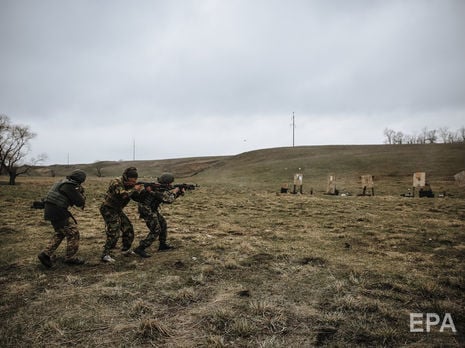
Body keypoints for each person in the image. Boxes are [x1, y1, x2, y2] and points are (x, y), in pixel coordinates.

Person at [38, 169, 87, 268]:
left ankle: (45, 254)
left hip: (51, 209)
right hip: (58, 211)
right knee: (73, 232)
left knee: (61, 232)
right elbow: (79, 202)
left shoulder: (62, 181)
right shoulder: (70, 186)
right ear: (81, 180)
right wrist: (81, 193)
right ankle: (70, 258)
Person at [134, 173, 184, 258]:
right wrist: (176, 192)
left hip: (152, 209)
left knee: (163, 224)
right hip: (146, 210)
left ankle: (162, 245)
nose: (171, 185)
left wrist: (178, 193)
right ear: (167, 182)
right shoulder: (155, 188)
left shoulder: (158, 187)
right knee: (156, 229)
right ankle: (140, 248)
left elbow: (167, 197)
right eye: (170, 183)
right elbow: (168, 199)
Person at [100, 167, 143, 262]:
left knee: (128, 228)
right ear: (126, 177)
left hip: (118, 209)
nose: (133, 183)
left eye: (134, 181)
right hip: (108, 208)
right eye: (131, 181)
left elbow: (136, 198)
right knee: (114, 231)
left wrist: (144, 191)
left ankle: (126, 249)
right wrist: (134, 189)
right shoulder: (116, 182)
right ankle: (105, 254)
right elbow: (123, 195)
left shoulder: (131, 184)